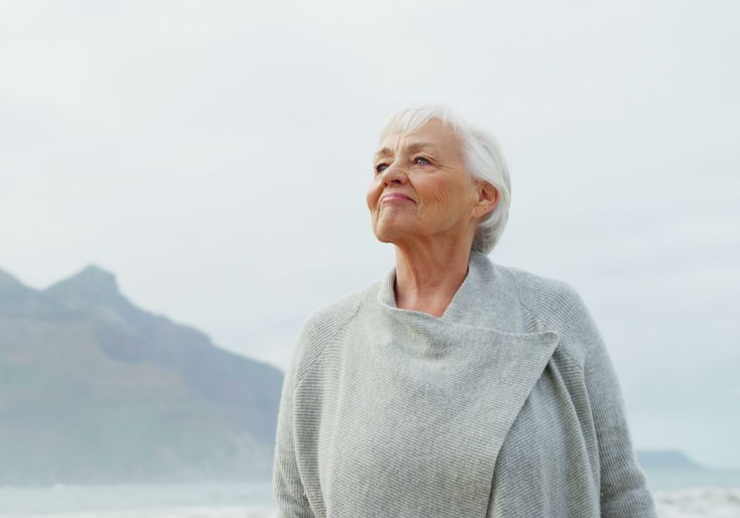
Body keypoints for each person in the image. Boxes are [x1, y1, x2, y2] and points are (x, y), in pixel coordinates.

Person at [272, 105, 657, 517]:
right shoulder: (329, 337)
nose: (390, 175)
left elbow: (620, 492)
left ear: (483, 196)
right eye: (381, 164)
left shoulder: (550, 316)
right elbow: (296, 506)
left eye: (421, 160)